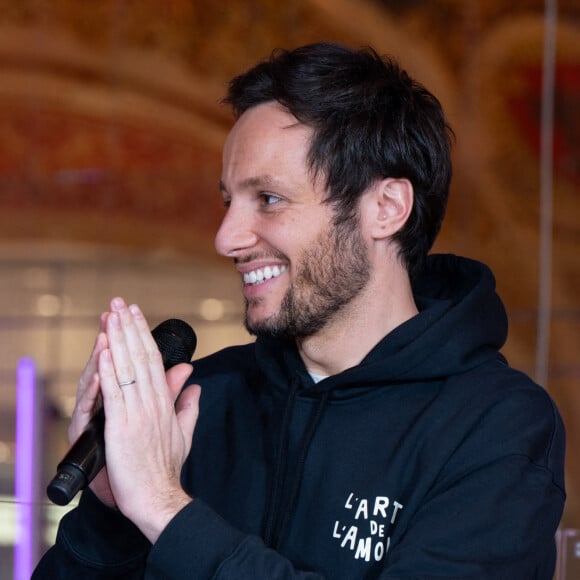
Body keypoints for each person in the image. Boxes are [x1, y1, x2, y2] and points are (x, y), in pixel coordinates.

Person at [33, 42, 565, 579]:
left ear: (386, 208)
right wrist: (111, 509)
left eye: (268, 198)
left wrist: (166, 509)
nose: (226, 238)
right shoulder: (199, 401)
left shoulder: (497, 426)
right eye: (228, 201)